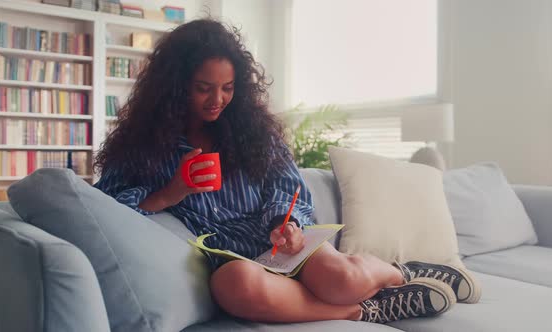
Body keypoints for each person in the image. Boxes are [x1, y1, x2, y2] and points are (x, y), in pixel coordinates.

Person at [94, 18, 478, 325]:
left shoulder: (250, 131)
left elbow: (286, 184)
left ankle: (401, 273)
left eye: (227, 88)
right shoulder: (142, 147)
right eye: (203, 88)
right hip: (234, 259)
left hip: (282, 242)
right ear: (175, 88)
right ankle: (366, 311)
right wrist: (171, 192)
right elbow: (105, 206)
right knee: (232, 286)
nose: (218, 100)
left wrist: (287, 223)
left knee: (341, 280)